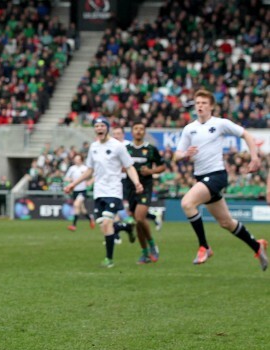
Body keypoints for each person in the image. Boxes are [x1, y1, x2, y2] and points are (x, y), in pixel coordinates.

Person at [174, 89, 267, 270]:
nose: (200, 106)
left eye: (204, 103)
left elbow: (245, 134)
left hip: (216, 175)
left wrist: (254, 157)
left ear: (211, 107)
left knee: (187, 203)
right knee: (226, 222)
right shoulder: (189, 129)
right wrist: (185, 154)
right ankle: (257, 246)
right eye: (198, 103)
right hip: (202, 177)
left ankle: (204, 246)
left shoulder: (220, 124)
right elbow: (176, 156)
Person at [64, 117, 143, 268]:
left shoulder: (117, 146)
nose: (99, 128)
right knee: (104, 226)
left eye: (102, 125)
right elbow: (89, 170)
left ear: (107, 128)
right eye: (97, 126)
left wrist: (137, 182)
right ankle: (126, 227)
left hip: (113, 190)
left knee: (107, 223)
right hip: (98, 191)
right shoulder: (93, 147)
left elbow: (129, 166)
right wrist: (73, 184)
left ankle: (109, 259)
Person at [126, 121, 165, 264]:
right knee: (138, 222)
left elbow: (162, 166)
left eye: (141, 129)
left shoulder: (150, 149)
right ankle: (144, 253)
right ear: (132, 132)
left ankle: (152, 245)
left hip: (145, 187)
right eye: (136, 128)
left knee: (140, 216)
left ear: (144, 132)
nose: (138, 131)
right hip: (130, 188)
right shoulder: (126, 149)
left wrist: (151, 171)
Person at [64, 154, 95, 231]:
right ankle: (90, 219)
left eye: (78, 159)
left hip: (82, 190)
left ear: (81, 160)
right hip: (75, 191)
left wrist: (90, 181)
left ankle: (74, 225)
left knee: (76, 205)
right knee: (82, 209)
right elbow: (66, 178)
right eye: (75, 159)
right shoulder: (72, 168)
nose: (76, 160)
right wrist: (70, 180)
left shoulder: (85, 168)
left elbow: (93, 176)